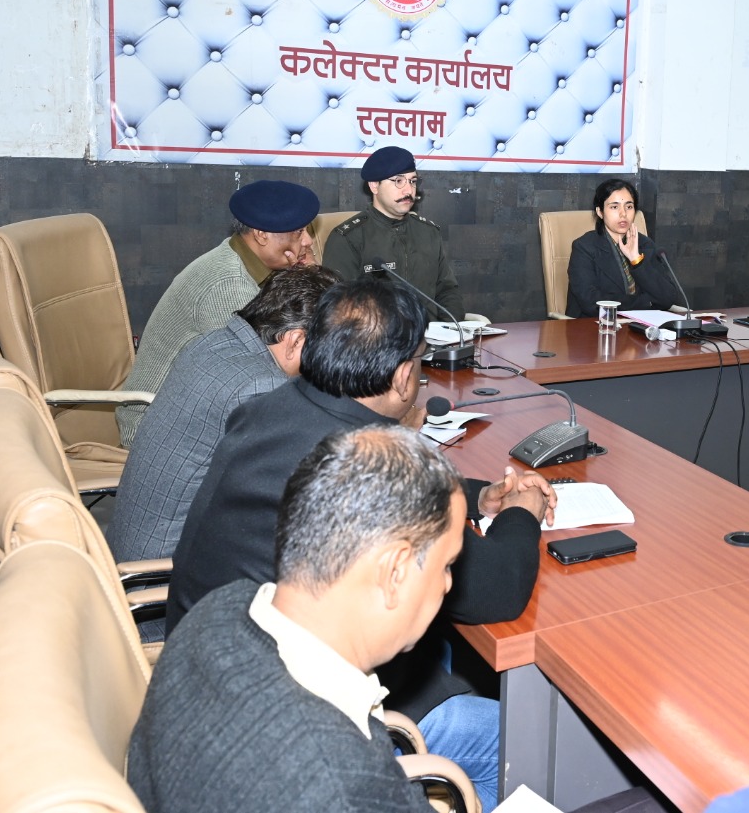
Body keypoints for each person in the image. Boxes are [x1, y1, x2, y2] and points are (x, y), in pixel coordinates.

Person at [168, 279, 554, 809]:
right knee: (524, 737)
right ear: (403, 376)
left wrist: (476, 496)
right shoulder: (365, 464)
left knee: (444, 648)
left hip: (214, 666)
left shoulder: (270, 408)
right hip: (307, 716)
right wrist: (520, 514)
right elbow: (499, 589)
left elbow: (369, 478)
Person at [128, 423, 468, 813]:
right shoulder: (340, 789)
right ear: (395, 573)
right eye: (447, 565)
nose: (447, 584)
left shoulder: (218, 609)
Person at [106, 264, 339, 566]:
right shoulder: (260, 386)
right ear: (295, 341)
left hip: (128, 550)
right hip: (163, 571)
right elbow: (284, 500)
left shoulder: (212, 344)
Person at [118, 179, 320, 445]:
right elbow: (266, 374)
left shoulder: (253, 262)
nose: (308, 241)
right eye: (298, 232)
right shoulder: (227, 285)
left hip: (199, 409)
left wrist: (307, 278)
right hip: (157, 428)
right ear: (261, 234)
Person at [324, 146, 467, 320]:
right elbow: (340, 308)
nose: (409, 191)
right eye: (398, 181)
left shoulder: (429, 233)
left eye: (412, 181)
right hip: (377, 335)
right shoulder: (348, 238)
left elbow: (447, 291)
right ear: (374, 185)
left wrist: (450, 330)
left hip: (432, 334)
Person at [566, 178, 683, 318]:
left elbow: (667, 296)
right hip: (595, 325)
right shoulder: (584, 247)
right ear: (600, 212)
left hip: (641, 325)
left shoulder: (645, 244)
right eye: (614, 207)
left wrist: (636, 260)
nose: (623, 214)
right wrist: (647, 303)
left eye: (629, 207)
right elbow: (591, 302)